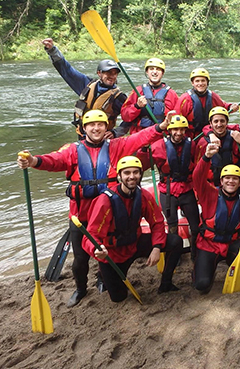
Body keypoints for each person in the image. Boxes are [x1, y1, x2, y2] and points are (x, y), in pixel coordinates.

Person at [17, 109, 173, 307]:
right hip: (81, 216)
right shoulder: (72, 150)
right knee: (80, 260)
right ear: (84, 128)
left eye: (100, 124)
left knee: (107, 248)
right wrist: (32, 161)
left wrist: (161, 127)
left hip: (110, 215)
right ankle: (81, 289)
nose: (96, 128)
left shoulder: (117, 145)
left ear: (106, 127)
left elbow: (141, 137)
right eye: (92, 125)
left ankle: (103, 277)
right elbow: (54, 161)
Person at [82, 156, 183, 302]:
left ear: (140, 175)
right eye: (127, 173)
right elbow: (90, 235)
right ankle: (102, 274)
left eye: (136, 172)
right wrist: (96, 249)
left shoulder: (143, 196)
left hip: (135, 244)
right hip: (113, 254)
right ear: (119, 176)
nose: (132, 177)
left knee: (175, 241)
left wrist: (156, 247)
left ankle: (166, 284)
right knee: (118, 298)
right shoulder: (105, 201)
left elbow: (157, 222)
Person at [192, 144, 240, 294]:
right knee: (202, 285)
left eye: (235, 179)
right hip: (209, 245)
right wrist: (206, 157)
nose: (230, 181)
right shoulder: (209, 193)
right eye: (227, 178)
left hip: (231, 243)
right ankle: (203, 270)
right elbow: (197, 177)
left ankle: (230, 261)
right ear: (221, 181)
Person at [42, 38, 128, 138]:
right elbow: (67, 70)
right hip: (83, 136)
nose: (112, 76)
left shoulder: (119, 97)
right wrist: (52, 50)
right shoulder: (87, 84)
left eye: (115, 73)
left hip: (103, 139)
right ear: (99, 73)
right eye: (108, 73)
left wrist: (116, 132)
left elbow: (131, 118)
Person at [151, 115, 199, 259]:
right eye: (175, 129)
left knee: (195, 227)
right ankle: (174, 255)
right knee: (172, 227)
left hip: (186, 189)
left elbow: (197, 164)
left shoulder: (192, 145)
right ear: (169, 130)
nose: (178, 133)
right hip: (168, 191)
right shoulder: (158, 146)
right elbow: (144, 160)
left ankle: (195, 254)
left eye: (182, 130)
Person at [120, 57, 178, 134]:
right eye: (151, 69)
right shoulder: (137, 91)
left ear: (162, 73)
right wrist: (137, 106)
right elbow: (125, 116)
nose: (155, 72)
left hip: (161, 136)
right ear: (147, 72)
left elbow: (178, 117)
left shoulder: (171, 94)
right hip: (140, 135)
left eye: (158, 69)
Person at [178, 68, 238, 138]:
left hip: (210, 133)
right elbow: (177, 117)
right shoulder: (185, 98)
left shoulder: (213, 96)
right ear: (193, 83)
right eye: (197, 81)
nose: (200, 84)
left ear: (207, 82)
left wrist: (231, 107)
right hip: (191, 135)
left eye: (203, 81)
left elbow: (223, 107)